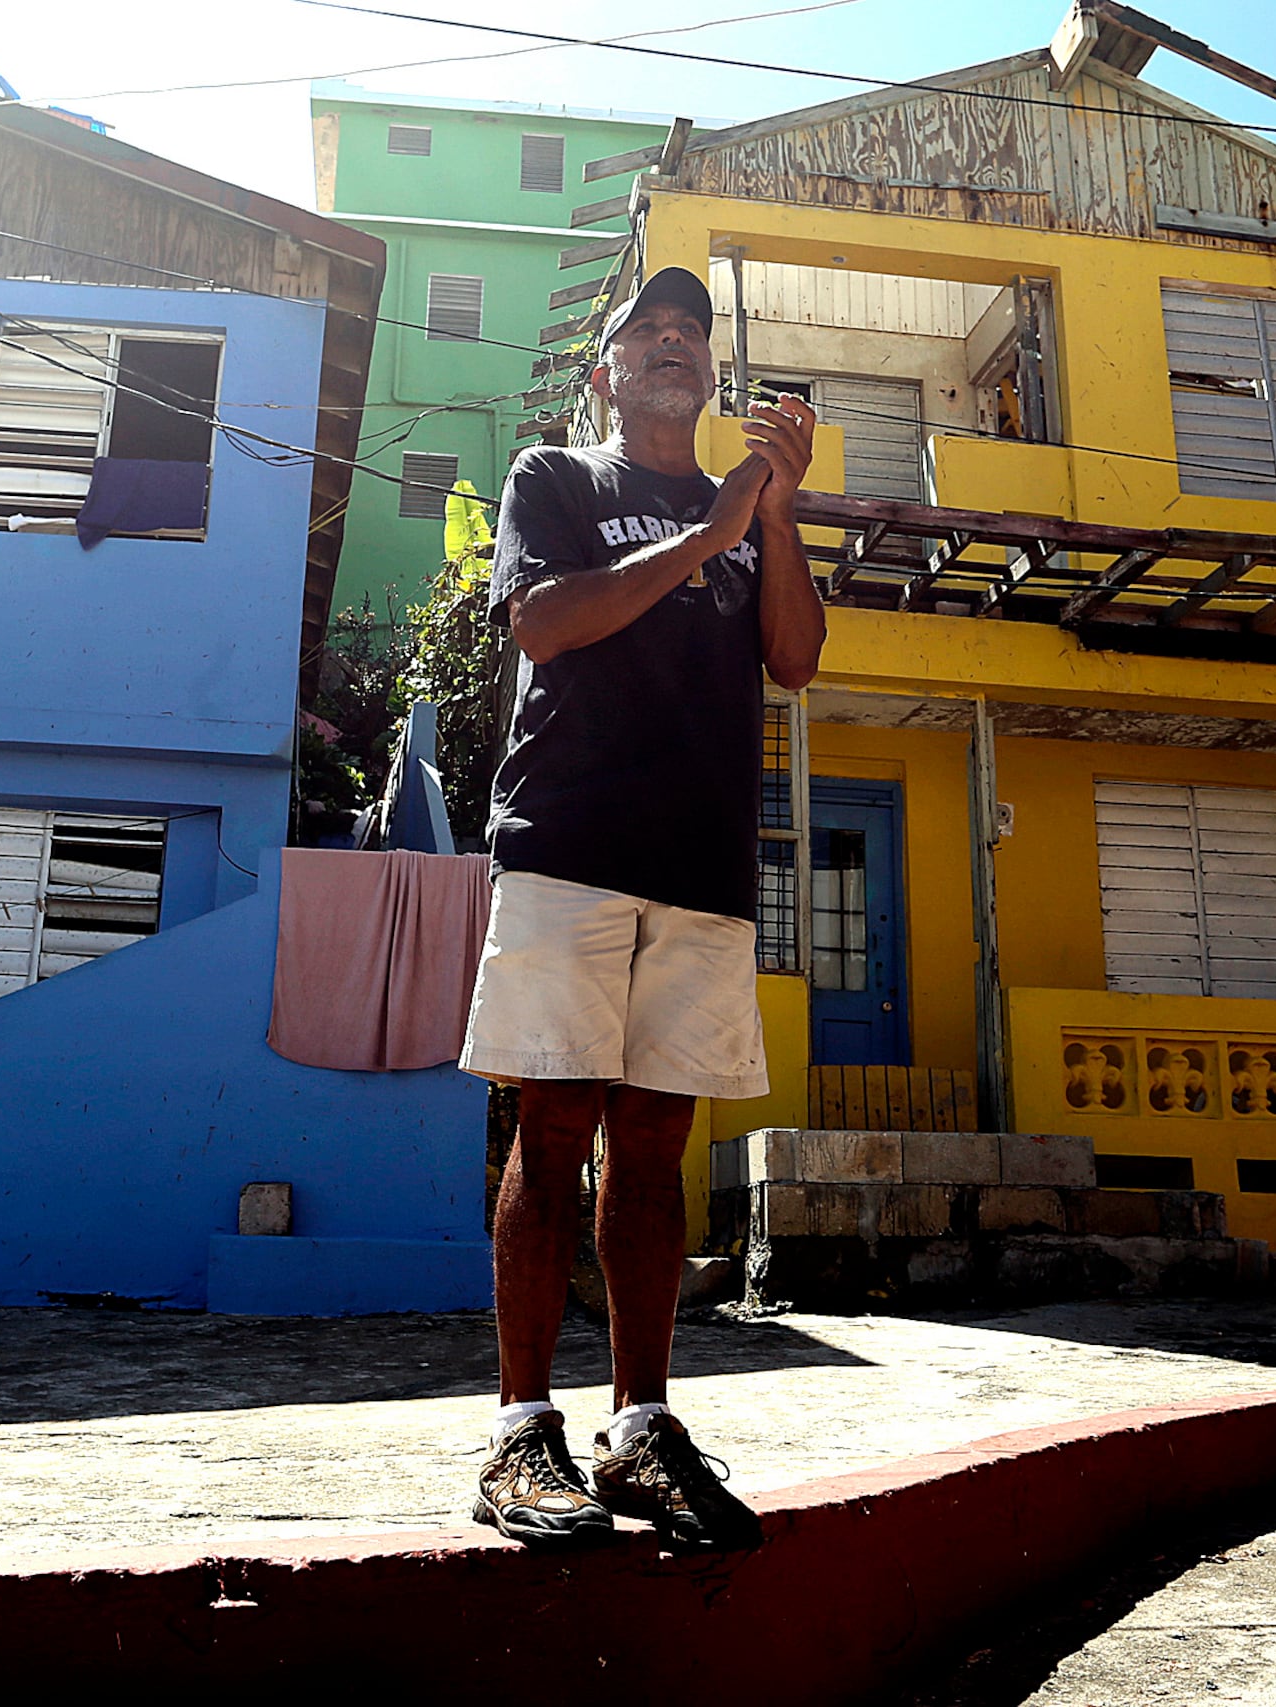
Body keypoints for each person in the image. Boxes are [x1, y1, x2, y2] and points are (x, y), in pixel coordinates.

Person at [458, 265, 825, 1550]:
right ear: (607, 371)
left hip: (703, 863)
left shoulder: (745, 510)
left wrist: (774, 516)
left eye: (690, 332)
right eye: (646, 331)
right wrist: (710, 535)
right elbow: (545, 626)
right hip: (569, 840)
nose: (672, 342)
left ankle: (639, 1432)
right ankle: (519, 1434)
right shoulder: (557, 478)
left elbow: (794, 658)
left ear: (711, 374)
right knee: (554, 1123)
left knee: (656, 1146)